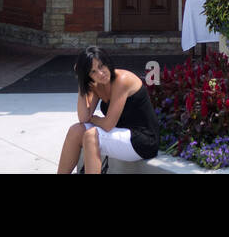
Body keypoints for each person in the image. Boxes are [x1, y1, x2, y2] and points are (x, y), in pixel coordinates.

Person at [56, 46, 160, 174]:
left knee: (91, 136)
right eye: (93, 72)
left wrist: (94, 119)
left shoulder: (122, 80)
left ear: (107, 62)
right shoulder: (97, 85)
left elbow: (108, 124)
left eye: (101, 66)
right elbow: (83, 118)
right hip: (121, 135)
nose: (100, 73)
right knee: (75, 130)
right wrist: (81, 83)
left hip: (143, 141)